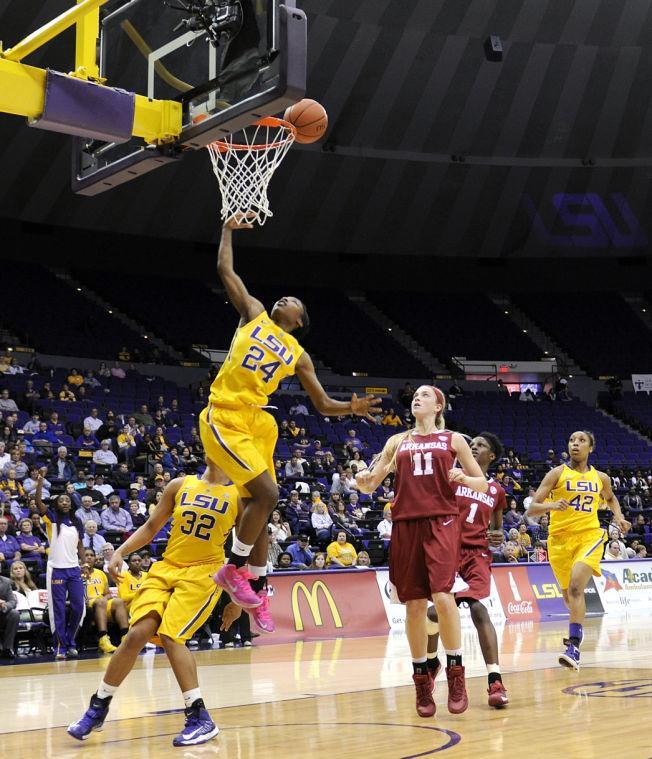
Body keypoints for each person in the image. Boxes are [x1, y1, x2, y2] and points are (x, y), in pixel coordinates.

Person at [203, 217, 380, 632]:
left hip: (257, 422)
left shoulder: (298, 354)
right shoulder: (255, 313)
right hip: (224, 412)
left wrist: (350, 409)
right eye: (285, 296)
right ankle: (234, 569)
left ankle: (258, 592)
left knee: (257, 508)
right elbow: (225, 271)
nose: (285, 298)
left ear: (300, 320)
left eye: (293, 300)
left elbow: (322, 405)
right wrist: (227, 231)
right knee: (268, 492)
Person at [68, 458, 241, 747]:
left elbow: (242, 552)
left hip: (204, 573)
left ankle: (200, 717)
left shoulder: (239, 495)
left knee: (172, 636)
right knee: (135, 634)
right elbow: (151, 527)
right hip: (167, 567)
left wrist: (237, 598)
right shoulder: (179, 485)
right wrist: (120, 551)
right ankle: (98, 707)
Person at [357, 385, 487, 718]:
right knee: (413, 605)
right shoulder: (396, 442)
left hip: (441, 521)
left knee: (442, 596)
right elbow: (372, 482)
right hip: (405, 525)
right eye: (414, 395)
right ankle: (421, 679)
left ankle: (457, 675)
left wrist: (463, 479)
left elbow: (482, 483)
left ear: (438, 405)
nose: (417, 398)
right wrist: (362, 481)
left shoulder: (454, 440)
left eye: (425, 395)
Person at [527, 431, 630, 671]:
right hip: (559, 541)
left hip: (589, 536)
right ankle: (578, 632)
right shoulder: (557, 473)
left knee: (576, 586)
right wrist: (551, 505)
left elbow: (611, 498)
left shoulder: (600, 477)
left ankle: (573, 645)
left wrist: (620, 517)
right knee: (569, 597)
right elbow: (532, 508)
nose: (575, 444)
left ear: (590, 448)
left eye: (581, 440)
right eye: (572, 440)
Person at [426, 433, 509, 708]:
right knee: (433, 612)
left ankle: (494, 680)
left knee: (477, 608)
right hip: (448, 549)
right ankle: (431, 662)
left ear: (492, 457)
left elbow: (496, 527)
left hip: (477, 555)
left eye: (481, 445)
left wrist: (497, 535)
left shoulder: (496, 490)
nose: (474, 447)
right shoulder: (453, 475)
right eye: (471, 444)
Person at [36, 476, 85, 659]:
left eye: (67, 500)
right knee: (58, 609)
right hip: (56, 569)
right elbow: (37, 502)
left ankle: (70, 641)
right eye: (61, 500)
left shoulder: (77, 522)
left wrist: (84, 562)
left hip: (74, 569)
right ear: (57, 505)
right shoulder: (51, 519)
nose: (64, 502)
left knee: (79, 607)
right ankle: (60, 646)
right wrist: (40, 481)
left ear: (71, 504)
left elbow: (80, 544)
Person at [82, 549, 129, 654]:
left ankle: (126, 637)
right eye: (86, 555)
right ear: (81, 558)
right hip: (87, 605)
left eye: (92, 555)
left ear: (95, 558)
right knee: (100, 602)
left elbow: (107, 593)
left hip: (101, 602)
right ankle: (103, 639)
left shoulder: (101, 574)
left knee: (119, 601)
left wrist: (105, 598)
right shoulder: (77, 573)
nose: (89, 557)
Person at [0, 574, 19, 659]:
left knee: (14, 614)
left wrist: (4, 605)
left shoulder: (6, 581)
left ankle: (7, 648)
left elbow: (12, 601)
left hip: (1, 614)